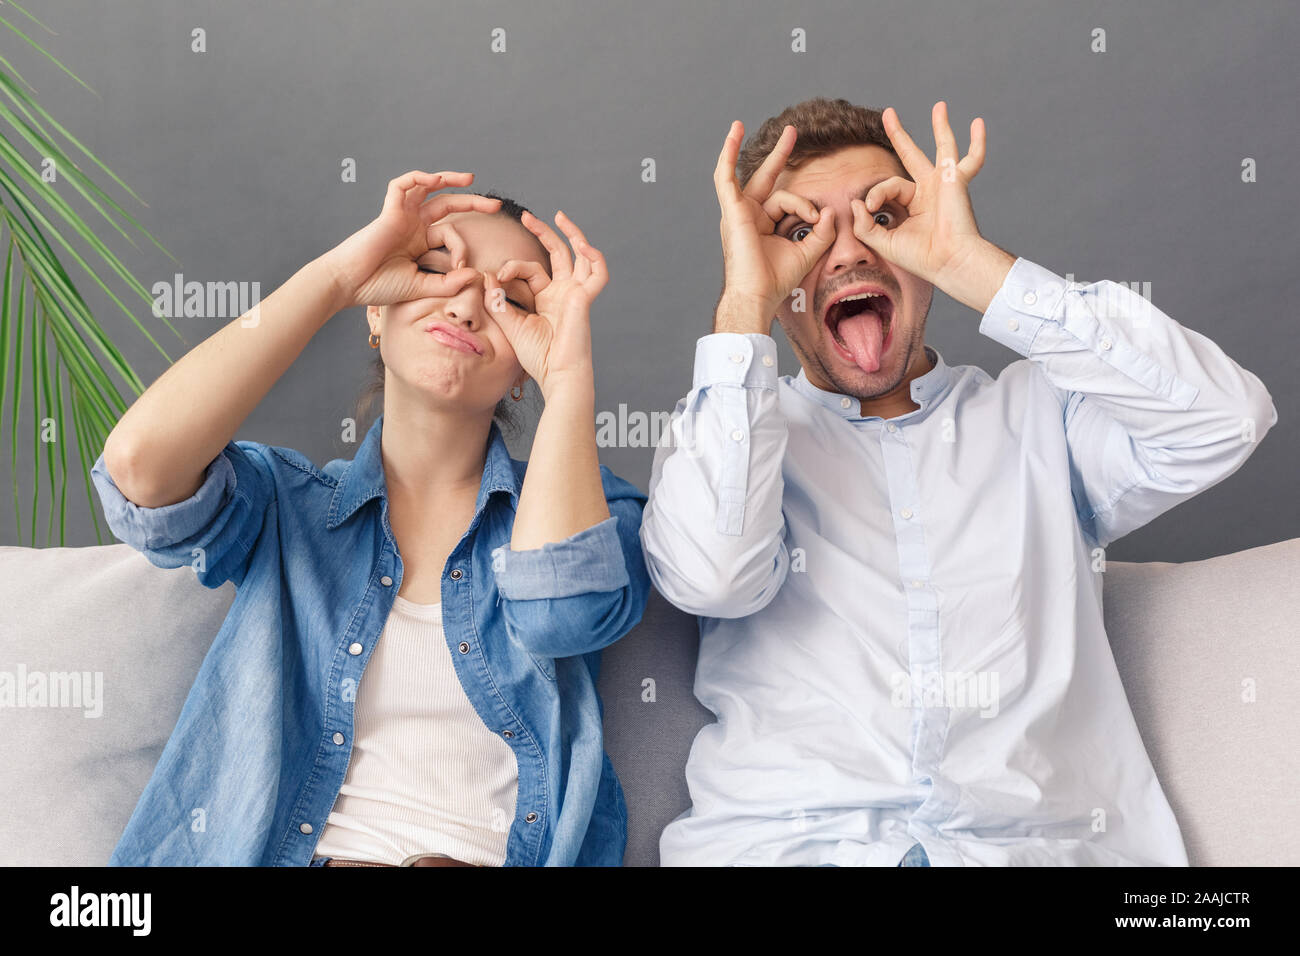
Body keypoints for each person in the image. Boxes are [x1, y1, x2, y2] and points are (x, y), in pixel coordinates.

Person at [640, 98, 1277, 866]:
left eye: (883, 216)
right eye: (802, 232)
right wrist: (743, 305)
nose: (847, 256)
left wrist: (973, 264)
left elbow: (1225, 419)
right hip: (790, 848)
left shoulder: (1046, 419)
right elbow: (711, 579)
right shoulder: (727, 434)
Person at [92, 170, 649, 866]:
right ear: (377, 314)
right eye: (436, 270)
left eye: (511, 299)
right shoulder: (287, 506)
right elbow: (139, 471)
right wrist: (335, 280)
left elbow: (557, 616)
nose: (470, 305)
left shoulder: (599, 511)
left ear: (523, 369)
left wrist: (567, 380)